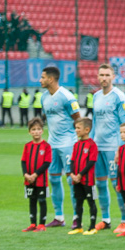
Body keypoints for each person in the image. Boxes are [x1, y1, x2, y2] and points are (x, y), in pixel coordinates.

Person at [40, 66, 81, 227]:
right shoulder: (44, 97)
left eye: (43, 77)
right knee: (53, 179)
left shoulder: (67, 97)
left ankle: (77, 217)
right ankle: (59, 217)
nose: (40, 80)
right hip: (52, 144)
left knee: (72, 181)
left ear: (51, 79)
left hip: (68, 144)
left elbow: (78, 119)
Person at [92, 63, 125, 234]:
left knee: (117, 185)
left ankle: (124, 220)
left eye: (107, 75)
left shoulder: (119, 96)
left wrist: (120, 148)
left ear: (113, 77)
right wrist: (91, 144)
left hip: (113, 147)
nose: (104, 78)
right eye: (102, 75)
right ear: (98, 77)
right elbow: (94, 122)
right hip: (98, 147)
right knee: (100, 184)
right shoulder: (96, 96)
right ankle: (106, 219)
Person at [68, 118, 99, 236]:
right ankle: (79, 226)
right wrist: (72, 174)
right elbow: (72, 160)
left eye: (78, 128)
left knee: (91, 202)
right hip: (76, 180)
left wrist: (80, 175)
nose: (76, 130)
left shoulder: (92, 145)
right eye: (75, 128)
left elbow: (91, 162)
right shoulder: (76, 144)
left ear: (87, 130)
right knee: (78, 202)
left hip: (88, 180)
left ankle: (92, 227)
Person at [21, 117, 51, 232]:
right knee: (32, 200)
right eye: (33, 129)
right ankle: (33, 223)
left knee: (42, 200)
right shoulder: (27, 146)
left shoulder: (46, 146)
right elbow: (23, 161)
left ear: (42, 131)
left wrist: (35, 175)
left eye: (39, 129)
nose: (36, 132)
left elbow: (47, 163)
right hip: (29, 180)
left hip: (41, 180)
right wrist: (26, 174)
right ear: (30, 132)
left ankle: (42, 225)